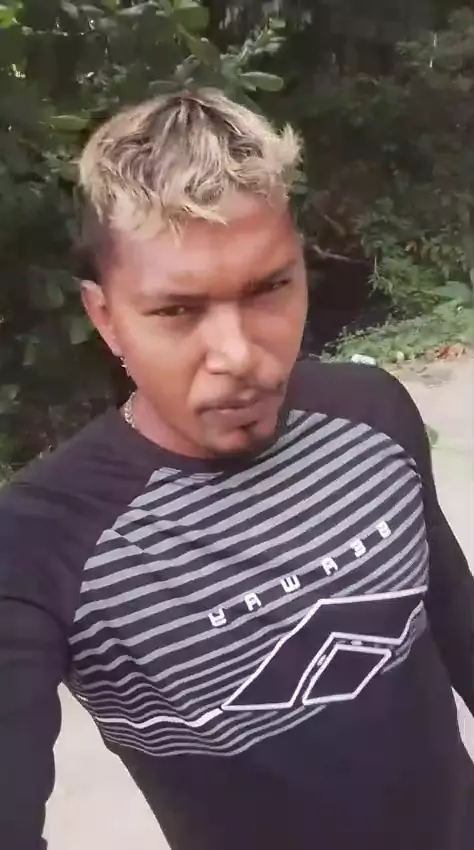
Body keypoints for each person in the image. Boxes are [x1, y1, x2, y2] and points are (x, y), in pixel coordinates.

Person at [0, 89, 473, 850]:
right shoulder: (40, 541)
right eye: (177, 311)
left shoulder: (372, 413)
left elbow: (455, 617)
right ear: (106, 317)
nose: (240, 357)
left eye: (269, 288)